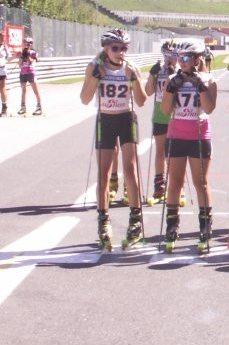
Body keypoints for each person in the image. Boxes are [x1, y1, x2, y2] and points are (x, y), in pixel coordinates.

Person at [79, 29, 148, 249]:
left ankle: (135, 220)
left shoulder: (131, 67)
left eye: (124, 48)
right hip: (105, 120)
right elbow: (84, 99)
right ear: (106, 49)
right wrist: (95, 78)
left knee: (130, 169)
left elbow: (142, 101)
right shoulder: (94, 66)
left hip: (126, 118)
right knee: (104, 173)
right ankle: (103, 219)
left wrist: (134, 79)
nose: (121, 52)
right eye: (116, 48)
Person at [160, 39, 218, 252]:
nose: (181, 61)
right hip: (176, 134)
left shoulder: (209, 79)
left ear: (196, 59)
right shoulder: (171, 79)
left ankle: (205, 225)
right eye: (179, 57)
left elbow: (209, 108)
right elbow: (165, 110)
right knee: (175, 182)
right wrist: (171, 89)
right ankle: (172, 225)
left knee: (201, 182)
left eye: (186, 58)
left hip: (199, 135)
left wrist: (199, 86)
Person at [144, 40, 178, 204]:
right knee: (161, 151)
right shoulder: (159, 69)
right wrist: (153, 74)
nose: (170, 58)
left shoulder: (181, 69)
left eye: (173, 55)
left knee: (175, 153)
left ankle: (178, 187)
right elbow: (148, 92)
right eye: (167, 54)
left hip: (177, 114)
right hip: (160, 113)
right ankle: (160, 185)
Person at [18, 37, 42, 115]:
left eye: (29, 43)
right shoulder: (22, 52)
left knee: (36, 90)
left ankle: (39, 107)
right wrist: (21, 57)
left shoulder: (34, 52)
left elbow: (33, 62)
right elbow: (20, 65)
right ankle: (23, 107)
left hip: (31, 72)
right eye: (26, 43)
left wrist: (29, 58)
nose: (27, 45)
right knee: (23, 91)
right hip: (23, 73)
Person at [0, 38, 10, 116]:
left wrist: (16, 56)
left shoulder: (5, 47)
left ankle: (4, 108)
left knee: (2, 88)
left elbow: (8, 58)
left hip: (2, 70)